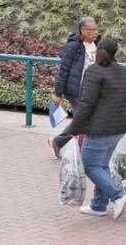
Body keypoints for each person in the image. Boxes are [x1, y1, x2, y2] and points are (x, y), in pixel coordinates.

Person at [69, 37, 126, 219]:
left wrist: (74, 128)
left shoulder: (93, 72)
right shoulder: (123, 72)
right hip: (119, 127)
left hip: (99, 128)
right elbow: (125, 100)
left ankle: (118, 195)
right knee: (101, 165)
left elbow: (86, 103)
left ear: (98, 50)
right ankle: (98, 205)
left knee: (90, 165)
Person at [49, 17, 100, 157]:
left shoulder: (96, 44)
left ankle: (57, 142)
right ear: (83, 31)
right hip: (76, 90)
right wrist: (58, 93)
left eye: (96, 29)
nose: (96, 32)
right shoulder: (74, 46)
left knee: (82, 121)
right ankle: (83, 155)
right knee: (82, 121)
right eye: (93, 30)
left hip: (91, 90)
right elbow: (64, 69)